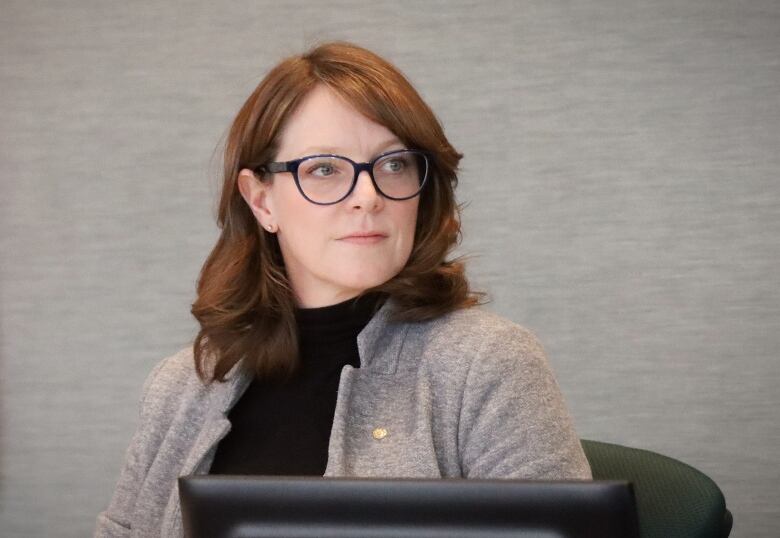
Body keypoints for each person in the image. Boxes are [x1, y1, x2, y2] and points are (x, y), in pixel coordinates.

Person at [95, 41, 591, 537]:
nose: (368, 196)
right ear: (262, 200)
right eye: (325, 169)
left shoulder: (488, 364)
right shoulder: (183, 384)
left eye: (394, 164)